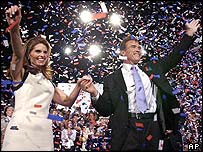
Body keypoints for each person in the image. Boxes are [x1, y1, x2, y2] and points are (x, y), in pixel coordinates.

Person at [80, 19, 200, 151]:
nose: (137, 49)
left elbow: (173, 58)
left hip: (154, 126)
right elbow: (106, 110)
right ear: (122, 53)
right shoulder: (112, 79)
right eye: (133, 47)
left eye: (139, 47)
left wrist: (189, 35)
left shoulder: (152, 68)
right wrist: (94, 92)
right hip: (128, 128)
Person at [2, 5, 90, 151]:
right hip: (20, 132)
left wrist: (78, 86)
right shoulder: (21, 73)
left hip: (43, 135)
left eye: (45, 52)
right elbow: (18, 53)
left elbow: (67, 101)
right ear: (29, 54)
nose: (42, 55)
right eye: (37, 51)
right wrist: (15, 27)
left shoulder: (48, 82)